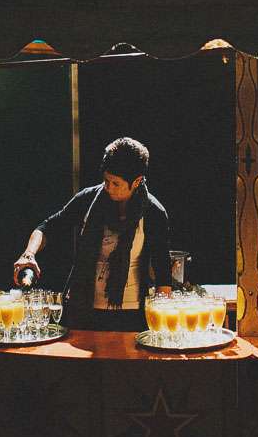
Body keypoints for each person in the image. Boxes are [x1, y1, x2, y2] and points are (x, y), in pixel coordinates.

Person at [13, 137, 172, 331]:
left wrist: (161, 325)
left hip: (131, 313)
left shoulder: (153, 212)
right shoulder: (89, 199)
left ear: (137, 181)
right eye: (106, 180)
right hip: (83, 308)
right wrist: (29, 254)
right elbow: (48, 227)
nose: (108, 188)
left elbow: (163, 274)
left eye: (116, 183)